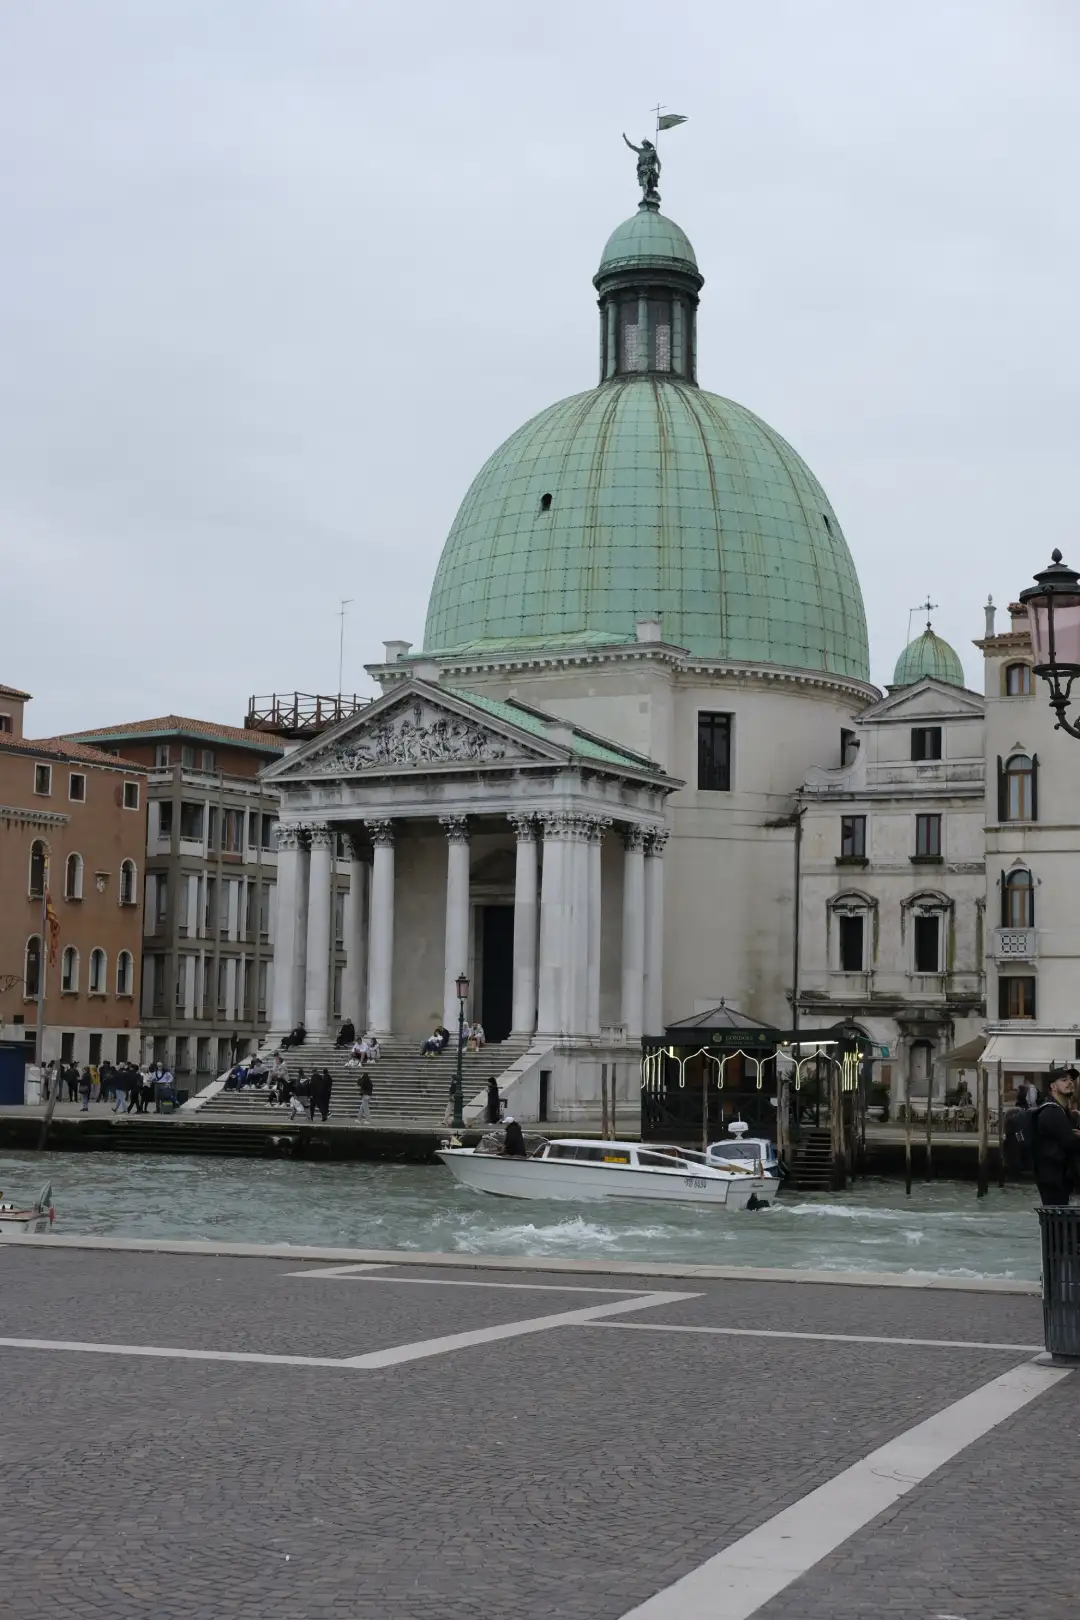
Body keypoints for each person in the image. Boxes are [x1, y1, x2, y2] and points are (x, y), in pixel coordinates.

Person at [1032, 1069, 1080, 1206]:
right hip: (1053, 1178)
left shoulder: (1063, 1111)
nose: (1070, 1083)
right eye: (1064, 1080)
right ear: (1053, 1086)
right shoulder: (1051, 1112)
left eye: (1071, 1080)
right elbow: (1070, 1143)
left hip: (1059, 1176)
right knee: (1056, 1220)